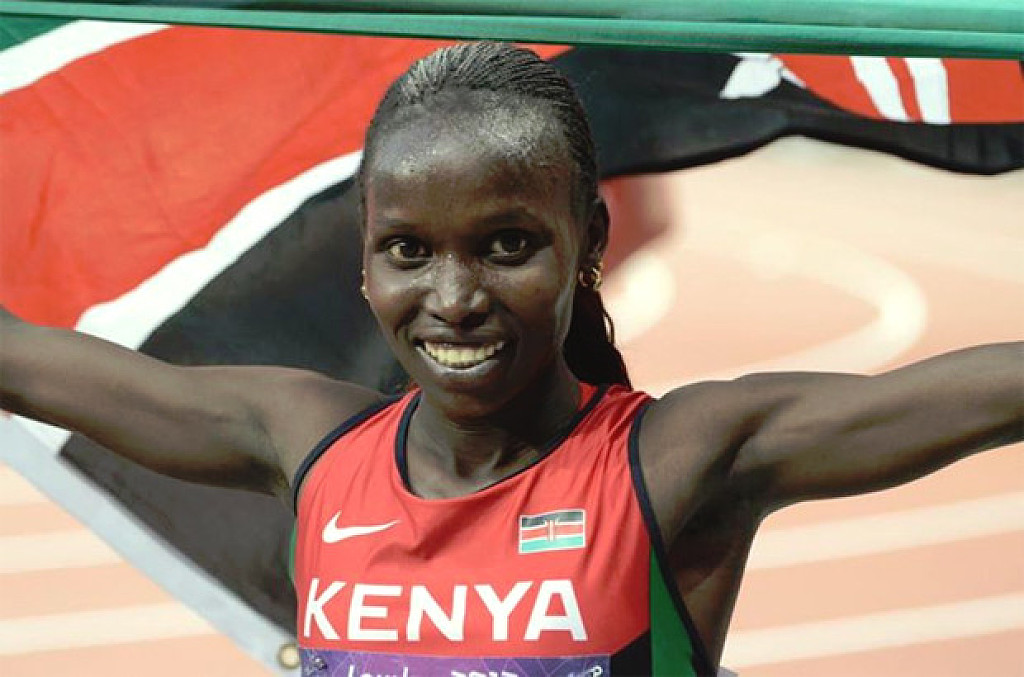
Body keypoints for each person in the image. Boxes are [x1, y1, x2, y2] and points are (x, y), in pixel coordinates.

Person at [1, 41, 1020, 676]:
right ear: (363, 259)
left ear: (587, 242)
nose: (454, 298)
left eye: (507, 245)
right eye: (409, 250)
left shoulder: (682, 458)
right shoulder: (303, 440)